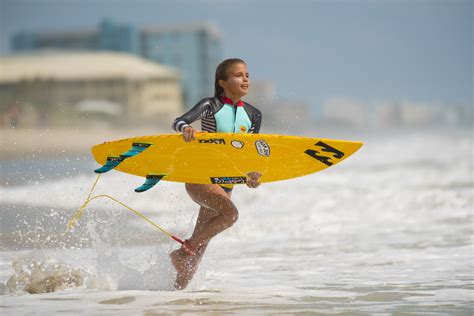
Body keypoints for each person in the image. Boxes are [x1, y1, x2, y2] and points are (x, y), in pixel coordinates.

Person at [169, 58, 263, 290]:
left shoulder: (254, 114)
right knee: (230, 215)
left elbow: (247, 155)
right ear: (222, 82)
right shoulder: (210, 105)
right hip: (200, 174)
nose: (245, 79)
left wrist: (250, 176)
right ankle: (182, 252)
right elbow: (178, 121)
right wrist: (187, 129)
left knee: (203, 241)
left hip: (227, 181)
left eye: (247, 75)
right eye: (239, 75)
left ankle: (174, 295)